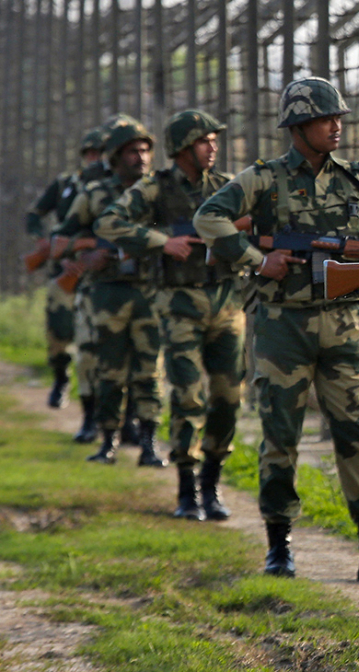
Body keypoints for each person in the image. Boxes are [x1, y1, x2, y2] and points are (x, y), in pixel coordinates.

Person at [193, 77, 359, 583]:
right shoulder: (265, 179)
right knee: (280, 437)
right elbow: (210, 218)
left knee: (358, 434)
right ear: (298, 127)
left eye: (339, 118)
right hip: (281, 326)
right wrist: (256, 260)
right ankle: (279, 546)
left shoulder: (357, 178)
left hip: (344, 324)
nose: (337, 126)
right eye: (325, 119)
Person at [96, 110, 243, 522]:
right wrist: (162, 241)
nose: (212, 147)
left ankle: (211, 485)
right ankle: (186, 490)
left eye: (214, 140)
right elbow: (109, 223)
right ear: (182, 149)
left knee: (228, 398)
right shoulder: (155, 189)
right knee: (186, 394)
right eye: (204, 141)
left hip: (227, 302)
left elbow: (262, 226)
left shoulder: (228, 187)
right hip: (178, 304)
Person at [57, 114, 167, 469]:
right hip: (107, 293)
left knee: (150, 371)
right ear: (117, 156)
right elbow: (62, 240)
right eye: (133, 151)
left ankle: (149, 444)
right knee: (109, 371)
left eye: (146, 150)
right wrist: (87, 251)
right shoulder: (95, 193)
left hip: (149, 291)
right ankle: (108, 441)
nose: (142, 157)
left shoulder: (159, 192)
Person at [25, 126, 108, 415]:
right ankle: (61, 379)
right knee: (59, 331)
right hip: (64, 269)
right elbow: (35, 214)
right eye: (91, 152)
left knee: (96, 340)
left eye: (100, 153)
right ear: (83, 155)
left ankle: (100, 405)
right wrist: (45, 245)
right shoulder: (65, 184)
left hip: (97, 268)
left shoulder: (112, 187)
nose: (95, 158)